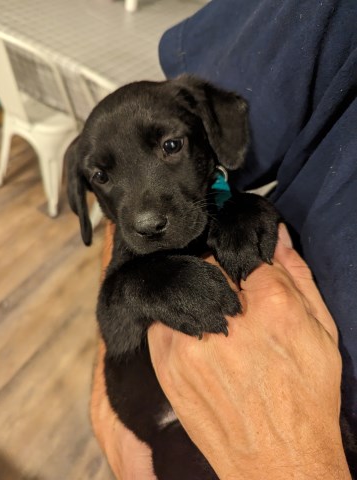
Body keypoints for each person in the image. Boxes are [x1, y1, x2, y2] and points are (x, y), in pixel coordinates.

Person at [91, 0, 357, 476]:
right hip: (171, 438)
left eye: (171, 146)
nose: (146, 214)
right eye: (104, 177)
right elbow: (116, 313)